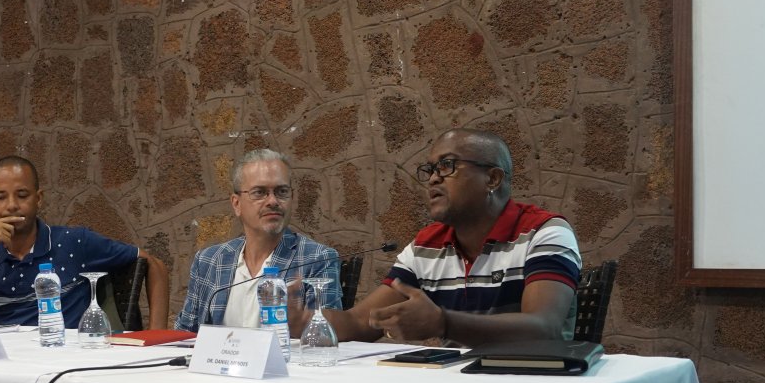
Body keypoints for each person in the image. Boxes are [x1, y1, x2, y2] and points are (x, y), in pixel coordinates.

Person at [290, 128, 580, 345]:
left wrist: (445, 323)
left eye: (447, 166)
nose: (433, 178)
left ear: (492, 179)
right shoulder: (426, 246)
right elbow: (360, 321)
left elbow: (544, 328)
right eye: (430, 169)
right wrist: (305, 323)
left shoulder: (544, 233)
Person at [0, 155, 169, 328]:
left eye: (22, 195)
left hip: (67, 366)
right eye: (1, 197)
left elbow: (153, 264)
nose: (12, 205)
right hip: (8, 368)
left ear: (39, 199)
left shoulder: (74, 242)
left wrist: (157, 335)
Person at [175, 149, 341, 332]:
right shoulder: (209, 260)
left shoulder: (318, 259)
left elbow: (322, 337)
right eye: (259, 192)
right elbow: (185, 335)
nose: (272, 201)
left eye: (282, 191)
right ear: (236, 204)